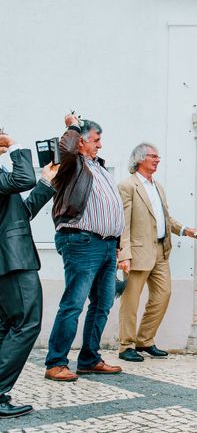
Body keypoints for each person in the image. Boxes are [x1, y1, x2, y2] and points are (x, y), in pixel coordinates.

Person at [45, 113, 124, 381]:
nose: (100, 145)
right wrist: (72, 126)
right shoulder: (70, 164)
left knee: (102, 304)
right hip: (81, 241)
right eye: (96, 140)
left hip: (106, 245)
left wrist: (117, 246)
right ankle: (55, 362)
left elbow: (112, 208)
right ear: (81, 142)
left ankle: (89, 359)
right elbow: (64, 148)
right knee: (73, 304)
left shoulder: (99, 166)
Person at [117, 143, 197, 362]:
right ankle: (126, 345)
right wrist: (124, 254)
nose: (157, 160)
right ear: (139, 159)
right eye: (153, 156)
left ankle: (145, 340)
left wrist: (185, 231)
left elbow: (166, 219)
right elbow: (123, 224)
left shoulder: (158, 187)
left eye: (158, 157)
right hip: (137, 253)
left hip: (161, 251)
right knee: (131, 301)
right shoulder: (127, 186)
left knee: (163, 294)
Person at [0, 134, 57, 418]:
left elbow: (20, 214)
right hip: (11, 260)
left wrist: (46, 182)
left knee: (7, 326)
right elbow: (23, 179)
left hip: (12, 258)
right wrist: (15, 145)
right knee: (26, 322)